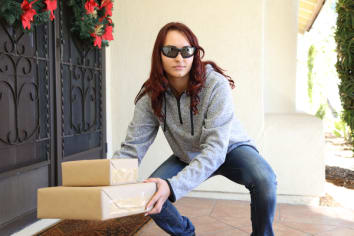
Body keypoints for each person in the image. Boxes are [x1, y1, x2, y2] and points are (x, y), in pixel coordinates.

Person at [113, 22, 277, 236]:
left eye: (186, 51)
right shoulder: (151, 94)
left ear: (194, 54)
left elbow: (216, 150)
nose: (179, 58)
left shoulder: (215, 85)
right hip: (187, 154)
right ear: (159, 55)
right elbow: (132, 148)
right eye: (170, 51)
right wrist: (110, 176)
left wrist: (171, 187)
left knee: (265, 178)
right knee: (150, 192)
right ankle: (185, 233)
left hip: (229, 149)